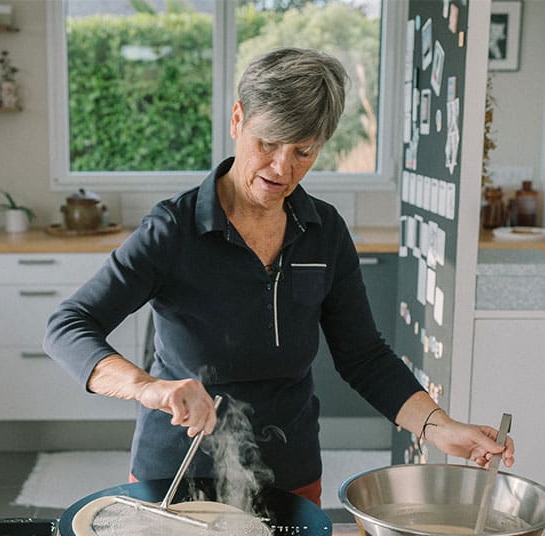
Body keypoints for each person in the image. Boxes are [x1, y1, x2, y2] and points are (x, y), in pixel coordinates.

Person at [44, 47, 514, 506]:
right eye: (268, 142)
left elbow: (364, 355)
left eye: (303, 152)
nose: (281, 168)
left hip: (290, 474)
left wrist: (439, 425)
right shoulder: (173, 228)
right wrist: (149, 386)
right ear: (237, 119)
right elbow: (68, 326)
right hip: (178, 474)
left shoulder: (324, 232)